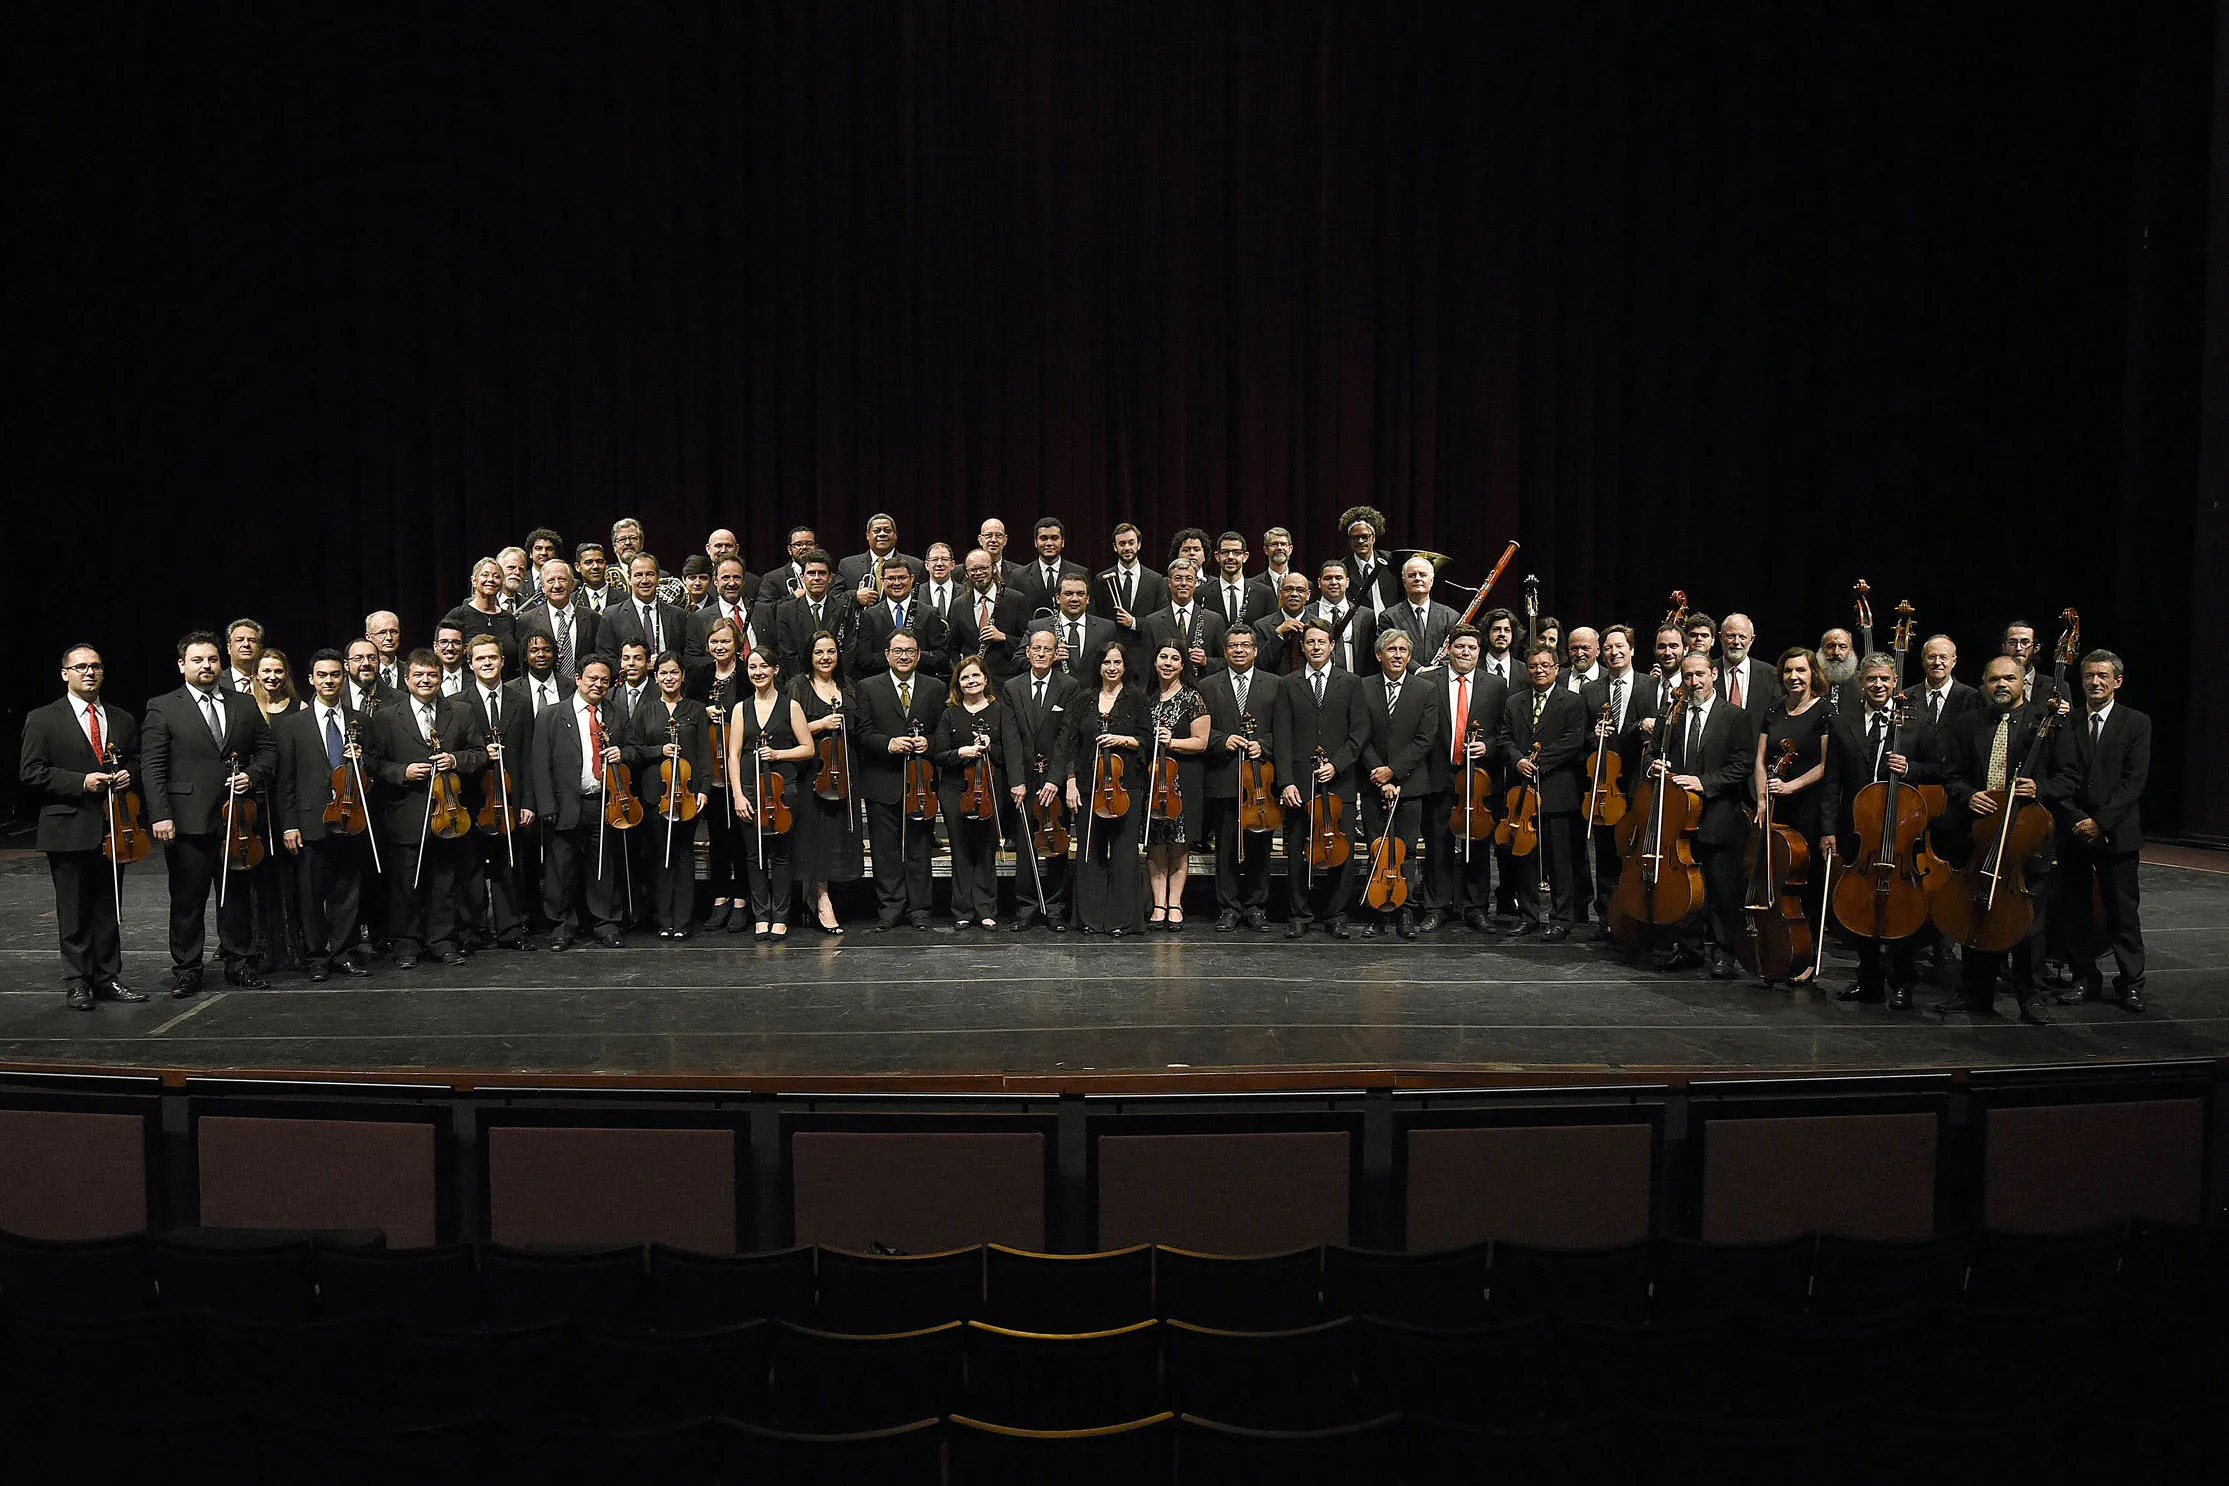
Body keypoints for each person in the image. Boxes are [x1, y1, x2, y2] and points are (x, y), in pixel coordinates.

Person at [143, 630, 278, 995]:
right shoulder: (163, 706)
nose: (207, 665)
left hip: (236, 820)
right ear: (182, 665)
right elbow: (153, 766)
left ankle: (240, 963)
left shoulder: (244, 703)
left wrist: (250, 775)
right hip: (187, 820)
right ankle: (187, 969)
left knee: (236, 896)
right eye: (198, 660)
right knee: (187, 899)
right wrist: (160, 814)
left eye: (213, 659)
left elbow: (268, 752)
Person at [1937, 657, 2063, 1024]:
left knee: (2025, 923)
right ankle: (1975, 993)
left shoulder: (2046, 724)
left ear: (2024, 681)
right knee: (1977, 911)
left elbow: (2068, 777)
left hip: (2026, 837)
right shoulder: (1969, 723)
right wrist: (1967, 794)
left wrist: (2040, 788)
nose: (2002, 685)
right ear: (1983, 683)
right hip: (1981, 834)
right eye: (1994, 679)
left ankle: (2029, 995)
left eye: (2010, 678)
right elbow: (1953, 775)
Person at [20, 644, 143, 1008]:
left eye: (96, 667)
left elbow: (136, 760)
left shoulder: (120, 718)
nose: (89, 673)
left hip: (113, 827)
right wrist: (80, 782)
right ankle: (77, 980)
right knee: (73, 909)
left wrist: (127, 774)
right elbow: (31, 772)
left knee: (109, 906)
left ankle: (108, 976)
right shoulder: (43, 718)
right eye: (81, 667)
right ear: (65, 673)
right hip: (68, 827)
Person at [1820, 652, 1943, 1010]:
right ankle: (1868, 978)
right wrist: (1828, 829)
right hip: (1860, 830)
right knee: (1860, 903)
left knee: (1902, 905)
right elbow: (1832, 780)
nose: (1878, 685)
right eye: (1871, 679)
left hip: (1901, 828)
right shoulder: (1845, 722)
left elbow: (1939, 769)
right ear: (1861, 682)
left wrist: (1911, 768)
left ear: (1895, 683)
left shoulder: (1916, 722)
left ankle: (1903, 980)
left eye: (1885, 680)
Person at [367, 650, 485, 969]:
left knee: (444, 882)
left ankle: (441, 941)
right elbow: (374, 762)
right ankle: (406, 944)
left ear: (440, 678)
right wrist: (402, 772)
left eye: (431, 675)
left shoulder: (460, 712)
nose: (425, 680)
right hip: (405, 813)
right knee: (405, 882)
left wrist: (456, 760)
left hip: (448, 813)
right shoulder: (387, 716)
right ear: (407, 679)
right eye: (418, 675)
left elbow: (480, 753)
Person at [2053, 649, 2148, 1013]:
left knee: (2123, 912)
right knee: (2075, 910)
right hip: (2075, 832)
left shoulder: (2137, 723)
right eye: (2089, 676)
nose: (2095, 682)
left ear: (2117, 681)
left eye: (2103, 676)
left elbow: (2133, 782)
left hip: (2116, 833)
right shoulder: (2068, 723)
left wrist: (2101, 822)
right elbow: (2061, 778)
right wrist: (2078, 820)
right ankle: (2082, 979)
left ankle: (2131, 983)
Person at [274, 648, 377, 982]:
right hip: (310, 821)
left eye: (334, 674)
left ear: (343, 677)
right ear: (310, 679)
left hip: (352, 819)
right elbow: (285, 780)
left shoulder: (361, 720)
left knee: (348, 892)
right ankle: (317, 957)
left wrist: (362, 760)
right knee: (311, 895)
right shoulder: (293, 725)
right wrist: (289, 824)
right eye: (322, 675)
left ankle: (343, 952)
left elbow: (374, 771)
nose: (328, 681)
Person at [1655, 649, 1758, 975]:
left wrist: (1702, 782)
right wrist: (1655, 767)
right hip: (1679, 820)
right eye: (1687, 676)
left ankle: (1725, 953)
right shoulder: (1672, 713)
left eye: (1700, 674)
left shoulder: (1735, 716)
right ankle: (1689, 950)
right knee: (1686, 890)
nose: (1694, 681)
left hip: (1718, 817)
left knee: (1722, 891)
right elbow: (1653, 753)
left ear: (1713, 674)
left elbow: (1741, 765)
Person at [526, 654, 632, 950]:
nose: (598, 684)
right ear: (578, 679)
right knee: (562, 868)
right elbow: (539, 763)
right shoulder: (551, 715)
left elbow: (633, 750)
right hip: (564, 804)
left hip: (603, 803)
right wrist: (546, 805)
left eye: (604, 680)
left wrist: (622, 753)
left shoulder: (616, 713)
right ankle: (562, 925)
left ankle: (605, 922)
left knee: (603, 865)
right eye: (592, 678)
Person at [1276, 618, 1369, 939]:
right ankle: (1299, 913)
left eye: (1321, 642)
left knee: (1340, 851)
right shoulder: (1287, 684)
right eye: (1310, 642)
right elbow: (1282, 736)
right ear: (1302, 647)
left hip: (1339, 783)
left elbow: (1359, 733)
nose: (1315, 647)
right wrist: (1285, 780)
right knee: (1297, 850)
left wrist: (1338, 765)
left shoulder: (1352, 682)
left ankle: (1336, 914)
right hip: (1300, 784)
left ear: (1332, 646)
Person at [854, 629, 946, 930]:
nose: (904, 656)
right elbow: (863, 733)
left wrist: (929, 743)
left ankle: (920, 910)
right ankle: (890, 910)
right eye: (898, 651)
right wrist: (889, 744)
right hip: (883, 780)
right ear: (887, 655)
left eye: (910, 651)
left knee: (920, 849)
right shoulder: (868, 687)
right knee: (885, 852)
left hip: (921, 784)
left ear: (918, 655)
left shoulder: (934, 688)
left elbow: (943, 733)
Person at [1501, 642, 1590, 941]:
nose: (1539, 670)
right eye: (1533, 666)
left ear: (1556, 668)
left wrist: (1538, 763)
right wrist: (1518, 761)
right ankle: (1528, 916)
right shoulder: (1515, 702)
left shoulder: (1573, 702)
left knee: (1559, 862)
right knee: (1524, 858)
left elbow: (1572, 741)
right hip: (1522, 793)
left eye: (1545, 665)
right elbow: (1505, 739)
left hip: (1557, 793)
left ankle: (1562, 918)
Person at [1198, 625, 1284, 932]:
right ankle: (1229, 908)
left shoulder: (1275, 684)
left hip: (1261, 782)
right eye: (1233, 645)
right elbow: (1199, 731)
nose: (1239, 650)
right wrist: (1222, 740)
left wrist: (1266, 745)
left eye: (1245, 645)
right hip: (1224, 777)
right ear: (1225, 651)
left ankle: (1257, 906)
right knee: (1226, 848)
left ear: (1256, 650)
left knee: (1260, 846)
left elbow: (1284, 730)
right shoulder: (1208, 685)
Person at [1753, 647, 1830, 981]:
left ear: (1813, 673)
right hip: (1774, 806)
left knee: (1804, 883)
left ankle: (1808, 957)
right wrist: (1761, 800)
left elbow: (1827, 764)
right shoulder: (1773, 710)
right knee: (1771, 876)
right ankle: (1772, 948)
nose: (1794, 677)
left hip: (1807, 807)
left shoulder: (1825, 711)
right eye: (1788, 672)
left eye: (1800, 670)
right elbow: (1760, 760)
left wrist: (1791, 785)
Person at [1422, 624, 1504, 934]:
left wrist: (1489, 745)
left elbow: (1503, 730)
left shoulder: (1496, 685)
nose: (1465, 652)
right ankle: (1436, 907)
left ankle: (1476, 908)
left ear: (1479, 652)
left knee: (1478, 845)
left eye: (1471, 648)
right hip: (1439, 775)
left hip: (1479, 779)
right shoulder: (1429, 681)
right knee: (1437, 844)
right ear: (1449, 649)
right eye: (1459, 647)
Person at [457, 633, 536, 952]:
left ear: (503, 661)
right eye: (480, 658)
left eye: (492, 657)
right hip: (474, 799)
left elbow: (530, 755)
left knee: (510, 864)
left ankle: (510, 929)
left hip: (511, 798)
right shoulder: (459, 705)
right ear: (471, 664)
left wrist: (528, 802)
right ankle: (472, 932)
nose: (487, 663)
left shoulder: (521, 701)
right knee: (471, 867)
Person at [1359, 630, 1441, 938]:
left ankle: (1404, 912)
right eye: (1390, 649)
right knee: (1377, 851)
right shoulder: (1363, 687)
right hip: (1372, 783)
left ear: (1409, 655)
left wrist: (1393, 772)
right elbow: (1360, 735)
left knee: (1405, 851)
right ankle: (1376, 913)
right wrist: (1378, 774)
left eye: (1402, 650)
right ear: (1379, 655)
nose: (1396, 655)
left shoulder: (1426, 689)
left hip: (1410, 784)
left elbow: (1425, 738)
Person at [1065, 640, 1148, 935]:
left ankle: (1121, 921)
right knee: (1090, 853)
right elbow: (1070, 745)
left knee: (1125, 854)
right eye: (1106, 663)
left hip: (1127, 787)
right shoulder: (1083, 700)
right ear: (1098, 667)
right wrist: (1071, 782)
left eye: (1117, 663)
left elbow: (1147, 741)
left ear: (1125, 667)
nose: (1111, 668)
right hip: (1089, 786)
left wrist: (1122, 740)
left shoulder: (1136, 699)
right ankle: (1089, 918)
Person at [1001, 627, 1080, 931]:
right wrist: (1017, 780)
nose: (1042, 654)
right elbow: (1010, 737)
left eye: (1048, 649)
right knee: (1025, 844)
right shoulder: (1012, 687)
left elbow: (1067, 736)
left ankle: (1056, 907)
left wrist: (1056, 779)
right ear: (1028, 652)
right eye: (1037, 649)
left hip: (1053, 779)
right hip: (1024, 780)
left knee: (1056, 842)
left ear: (1056, 653)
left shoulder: (1069, 686)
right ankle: (1026, 906)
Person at [731, 646, 813, 940]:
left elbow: (808, 748)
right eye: (753, 667)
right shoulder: (741, 708)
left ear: (776, 670)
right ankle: (760, 915)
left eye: (764, 666)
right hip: (751, 789)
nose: (758, 672)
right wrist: (738, 795)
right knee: (754, 856)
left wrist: (778, 754)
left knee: (780, 855)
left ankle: (780, 915)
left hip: (782, 790)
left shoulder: (790, 706)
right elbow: (734, 754)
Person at [789, 632, 865, 933]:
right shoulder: (798, 686)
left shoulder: (847, 686)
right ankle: (822, 898)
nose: (825, 657)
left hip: (844, 771)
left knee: (837, 836)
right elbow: (787, 727)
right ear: (810, 655)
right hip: (812, 772)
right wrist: (821, 724)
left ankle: (817, 890)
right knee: (815, 837)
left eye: (831, 651)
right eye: (819, 651)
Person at [634, 653, 712, 939]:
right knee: (658, 857)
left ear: (683, 676)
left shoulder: (696, 709)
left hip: (688, 795)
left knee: (683, 856)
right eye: (664, 673)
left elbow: (704, 754)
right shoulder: (646, 711)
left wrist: (703, 789)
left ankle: (682, 922)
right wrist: (660, 750)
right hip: (657, 795)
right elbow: (635, 749)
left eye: (674, 673)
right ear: (656, 677)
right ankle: (663, 919)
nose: (669, 678)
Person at [931, 655, 1009, 930]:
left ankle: (986, 908)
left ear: (986, 679)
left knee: (986, 849)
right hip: (955, 790)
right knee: (961, 850)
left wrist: (991, 747)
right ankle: (963, 909)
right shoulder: (949, 713)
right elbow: (938, 754)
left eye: (976, 676)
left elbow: (1008, 753)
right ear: (958, 684)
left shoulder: (999, 711)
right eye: (965, 677)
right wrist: (960, 753)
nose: (971, 681)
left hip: (989, 789)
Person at [246, 648, 308, 974]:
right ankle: (262, 949)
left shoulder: (301, 708)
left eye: (278, 671)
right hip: (256, 803)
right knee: (260, 879)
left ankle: (295, 949)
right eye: (265, 671)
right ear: (256, 674)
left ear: (287, 675)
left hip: (289, 798)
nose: (272, 677)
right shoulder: (246, 708)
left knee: (291, 879)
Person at [1142, 642, 1210, 930]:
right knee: (1156, 844)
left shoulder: (1193, 697)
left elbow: (1201, 741)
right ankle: (1158, 904)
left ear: (1183, 665)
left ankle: (1175, 904)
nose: (1168, 663)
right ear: (1155, 662)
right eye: (1163, 657)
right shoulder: (1145, 698)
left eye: (1174, 659)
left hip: (1184, 780)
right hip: (1152, 779)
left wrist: (1173, 742)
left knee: (1180, 846)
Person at [689, 616, 749, 931]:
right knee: (716, 839)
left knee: (739, 839)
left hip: (738, 767)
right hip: (709, 768)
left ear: (737, 644)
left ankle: (741, 900)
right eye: (714, 641)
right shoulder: (699, 676)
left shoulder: (746, 676)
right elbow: (687, 711)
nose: (719, 646)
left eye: (725, 641)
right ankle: (720, 899)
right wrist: (703, 711)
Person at [850, 561, 950, 680]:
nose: (897, 583)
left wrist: (913, 655)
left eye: (902, 578)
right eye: (891, 578)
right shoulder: (869, 616)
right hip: (882, 685)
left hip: (922, 683)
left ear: (911, 579)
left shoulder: (929, 613)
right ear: (882, 581)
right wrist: (896, 656)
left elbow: (941, 656)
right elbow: (864, 659)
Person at [1140, 557, 1227, 685]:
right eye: (1178, 578)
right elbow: (1146, 667)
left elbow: (1226, 662)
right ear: (1169, 583)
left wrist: (1206, 662)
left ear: (1196, 583)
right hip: (1164, 693)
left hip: (1203, 691)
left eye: (1189, 579)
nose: (1184, 583)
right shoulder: (1152, 621)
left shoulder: (1214, 620)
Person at [949, 548, 1032, 680]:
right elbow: (952, 647)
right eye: (973, 570)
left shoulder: (1016, 600)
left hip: (1007, 681)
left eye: (983, 568)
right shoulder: (958, 605)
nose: (978, 573)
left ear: (994, 569)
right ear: (966, 574)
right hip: (972, 682)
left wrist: (1004, 638)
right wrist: (960, 672)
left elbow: (1029, 643)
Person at [774, 550, 855, 680]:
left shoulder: (844, 607)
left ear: (830, 578)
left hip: (837, 682)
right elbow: (787, 654)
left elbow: (849, 650)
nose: (816, 578)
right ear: (802, 577)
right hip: (800, 684)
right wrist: (808, 683)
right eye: (811, 573)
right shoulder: (786, 610)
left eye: (822, 573)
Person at [1093, 522, 1169, 660]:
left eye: (1131, 542)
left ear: (1138, 545)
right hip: (1112, 656)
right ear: (1115, 547)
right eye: (1122, 544)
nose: (1127, 548)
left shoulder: (1156, 580)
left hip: (1145, 654)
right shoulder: (1102, 580)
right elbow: (1096, 618)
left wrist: (1134, 623)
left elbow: (1161, 620)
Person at [515, 560, 597, 684]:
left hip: (584, 688)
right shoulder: (526, 620)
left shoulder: (592, 617)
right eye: (550, 580)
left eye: (562, 579)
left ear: (571, 584)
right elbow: (522, 663)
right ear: (542, 587)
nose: (557, 585)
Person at [1026, 575, 1118, 682]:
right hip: (1054, 695)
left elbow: (1118, 662)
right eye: (1068, 594)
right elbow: (1018, 662)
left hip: (1093, 695)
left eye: (1080, 594)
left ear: (1087, 599)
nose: (1074, 599)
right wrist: (1049, 658)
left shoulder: (1106, 628)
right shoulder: (1038, 627)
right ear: (1058, 598)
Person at [600, 553, 689, 664]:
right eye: (638, 575)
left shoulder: (677, 614)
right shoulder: (612, 615)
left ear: (658, 577)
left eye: (650, 574)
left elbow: (685, 655)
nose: (645, 580)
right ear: (629, 579)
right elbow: (606, 658)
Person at [1383, 555, 1460, 664]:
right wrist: (1418, 670)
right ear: (1404, 582)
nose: (1417, 579)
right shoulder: (1388, 617)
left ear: (1432, 581)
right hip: (1406, 677)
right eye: (1412, 575)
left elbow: (1455, 650)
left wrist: (1435, 671)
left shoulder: (1451, 616)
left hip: (1440, 676)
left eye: (1423, 575)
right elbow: (1387, 652)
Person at [1304, 562, 1377, 676]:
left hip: (1356, 682)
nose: (1333, 582)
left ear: (1347, 582)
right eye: (1328, 578)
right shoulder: (1306, 614)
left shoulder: (1366, 615)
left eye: (1338, 578)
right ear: (1319, 582)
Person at [837, 512, 928, 601]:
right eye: (876, 531)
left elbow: (924, 599)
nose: (882, 534)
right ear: (868, 535)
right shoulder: (847, 565)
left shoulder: (916, 565)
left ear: (895, 535)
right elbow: (834, 597)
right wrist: (854, 596)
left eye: (887, 531)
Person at [444, 558, 518, 663]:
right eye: (485, 575)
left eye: (496, 576)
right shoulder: (458, 615)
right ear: (474, 581)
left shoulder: (509, 618)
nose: (491, 579)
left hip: (507, 679)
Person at [1015, 516, 1087, 607]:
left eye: (1054, 538)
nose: (1049, 543)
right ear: (1035, 542)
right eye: (1043, 538)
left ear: (1063, 542)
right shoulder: (1019, 577)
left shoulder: (1080, 573)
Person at [1338, 505, 1400, 610]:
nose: (1360, 541)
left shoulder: (1391, 561)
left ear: (1373, 537)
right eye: (1355, 537)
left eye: (1365, 536)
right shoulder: (1343, 568)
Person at [1915, 635, 1982, 730]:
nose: (1937, 662)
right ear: (1923, 661)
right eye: (1931, 657)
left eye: (1943, 657)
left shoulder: (1971, 697)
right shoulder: (1907, 696)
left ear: (1953, 661)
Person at [1206, 531, 1270, 629]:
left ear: (1245, 556)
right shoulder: (1201, 593)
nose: (1230, 557)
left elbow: (1268, 632)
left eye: (1236, 552)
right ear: (1217, 556)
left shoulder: (1264, 593)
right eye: (1225, 552)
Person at [1253, 571, 1313, 673]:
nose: (1294, 594)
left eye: (1300, 590)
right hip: (1274, 685)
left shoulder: (1318, 626)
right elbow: (1259, 664)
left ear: (1308, 595)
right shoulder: (1261, 626)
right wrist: (1278, 635)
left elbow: (1329, 661)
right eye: (1288, 589)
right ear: (1280, 594)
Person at [365, 611, 404, 691]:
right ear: (368, 637)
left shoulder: (410, 671)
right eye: (382, 633)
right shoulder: (363, 671)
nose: (389, 638)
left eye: (394, 632)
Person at [225, 619, 265, 694]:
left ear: (260, 648)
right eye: (240, 640)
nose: (246, 644)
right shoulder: (216, 682)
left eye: (252, 640)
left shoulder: (271, 681)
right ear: (229, 648)